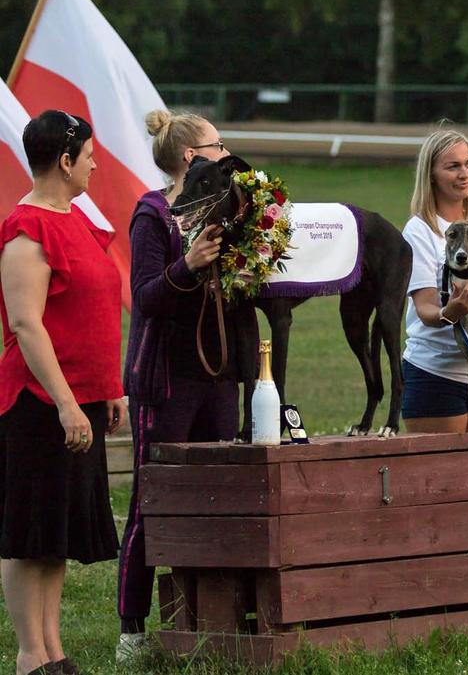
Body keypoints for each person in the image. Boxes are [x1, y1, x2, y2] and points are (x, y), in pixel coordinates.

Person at [116, 110, 258, 661]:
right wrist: (189, 266)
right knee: (151, 501)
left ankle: (209, 617)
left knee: (218, 496)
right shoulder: (153, 214)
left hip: (219, 375)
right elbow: (146, 296)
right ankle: (132, 626)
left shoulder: (233, 209)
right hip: (166, 378)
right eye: (219, 146)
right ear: (191, 159)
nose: (228, 154)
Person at [0, 110, 125, 675]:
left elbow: (94, 311)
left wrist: (108, 389)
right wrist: (69, 403)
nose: (96, 163)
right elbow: (27, 325)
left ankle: (53, 649)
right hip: (38, 404)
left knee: (55, 529)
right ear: (65, 160)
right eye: (89, 154)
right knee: (29, 532)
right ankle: (30, 656)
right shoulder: (28, 230)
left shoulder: (76, 218)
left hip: (81, 401)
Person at [401, 127, 468, 433]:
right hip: (435, 373)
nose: (464, 173)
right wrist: (451, 311)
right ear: (431, 174)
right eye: (452, 166)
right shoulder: (419, 231)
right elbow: (427, 310)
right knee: (439, 478)